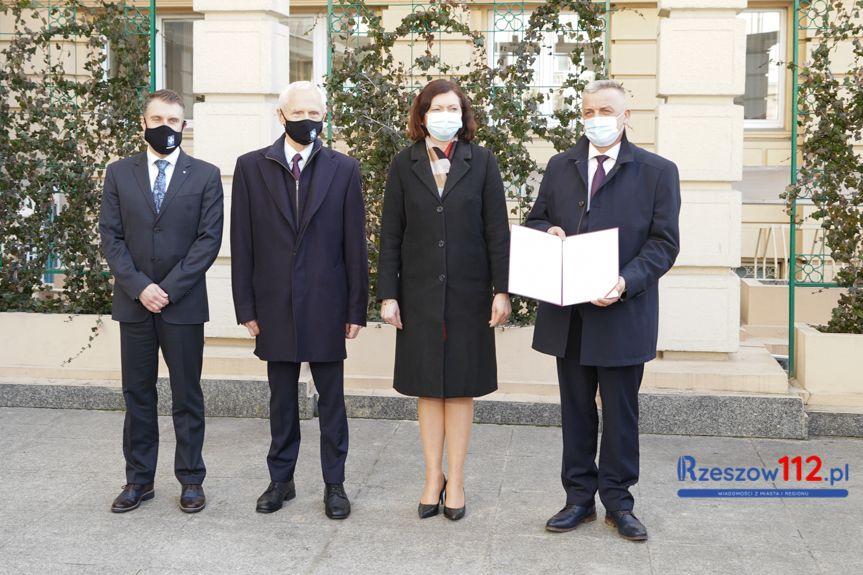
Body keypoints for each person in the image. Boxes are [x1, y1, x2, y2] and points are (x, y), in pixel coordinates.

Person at [525, 79, 680, 541]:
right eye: (589, 111)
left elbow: (664, 243)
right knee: (575, 411)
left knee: (620, 414)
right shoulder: (560, 165)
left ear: (626, 116)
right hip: (569, 316)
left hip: (622, 315)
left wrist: (625, 281)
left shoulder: (657, 172)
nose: (596, 119)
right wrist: (547, 232)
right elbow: (536, 218)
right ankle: (578, 499)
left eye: (606, 111)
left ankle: (619, 502)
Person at [231, 81, 368, 519]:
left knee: (332, 400)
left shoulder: (344, 169)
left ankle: (335, 483)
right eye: (298, 113)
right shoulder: (251, 167)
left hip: (327, 303)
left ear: (324, 116)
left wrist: (355, 308)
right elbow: (242, 242)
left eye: (314, 113)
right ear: (281, 116)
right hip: (273, 304)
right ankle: (281, 480)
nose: (306, 120)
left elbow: (355, 244)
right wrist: (245, 307)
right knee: (281, 400)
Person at [378, 79, 511, 521]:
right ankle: (432, 477)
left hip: (469, 294)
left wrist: (502, 289)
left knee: (459, 388)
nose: (446, 115)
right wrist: (388, 294)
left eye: (454, 108)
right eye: (437, 108)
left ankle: (457, 480)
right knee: (428, 388)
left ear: (464, 115)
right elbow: (391, 234)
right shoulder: (404, 163)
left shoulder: (483, 162)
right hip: (418, 294)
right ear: (422, 115)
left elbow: (497, 231)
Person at [99, 89, 224, 514]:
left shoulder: (205, 175)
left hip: (182, 304)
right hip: (134, 303)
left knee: (187, 395)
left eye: (173, 121)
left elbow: (208, 241)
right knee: (138, 394)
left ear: (184, 126)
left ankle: (191, 480)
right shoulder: (119, 173)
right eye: (157, 119)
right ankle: (139, 480)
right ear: (143, 123)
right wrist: (140, 287)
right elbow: (111, 237)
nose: (165, 127)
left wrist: (167, 288)